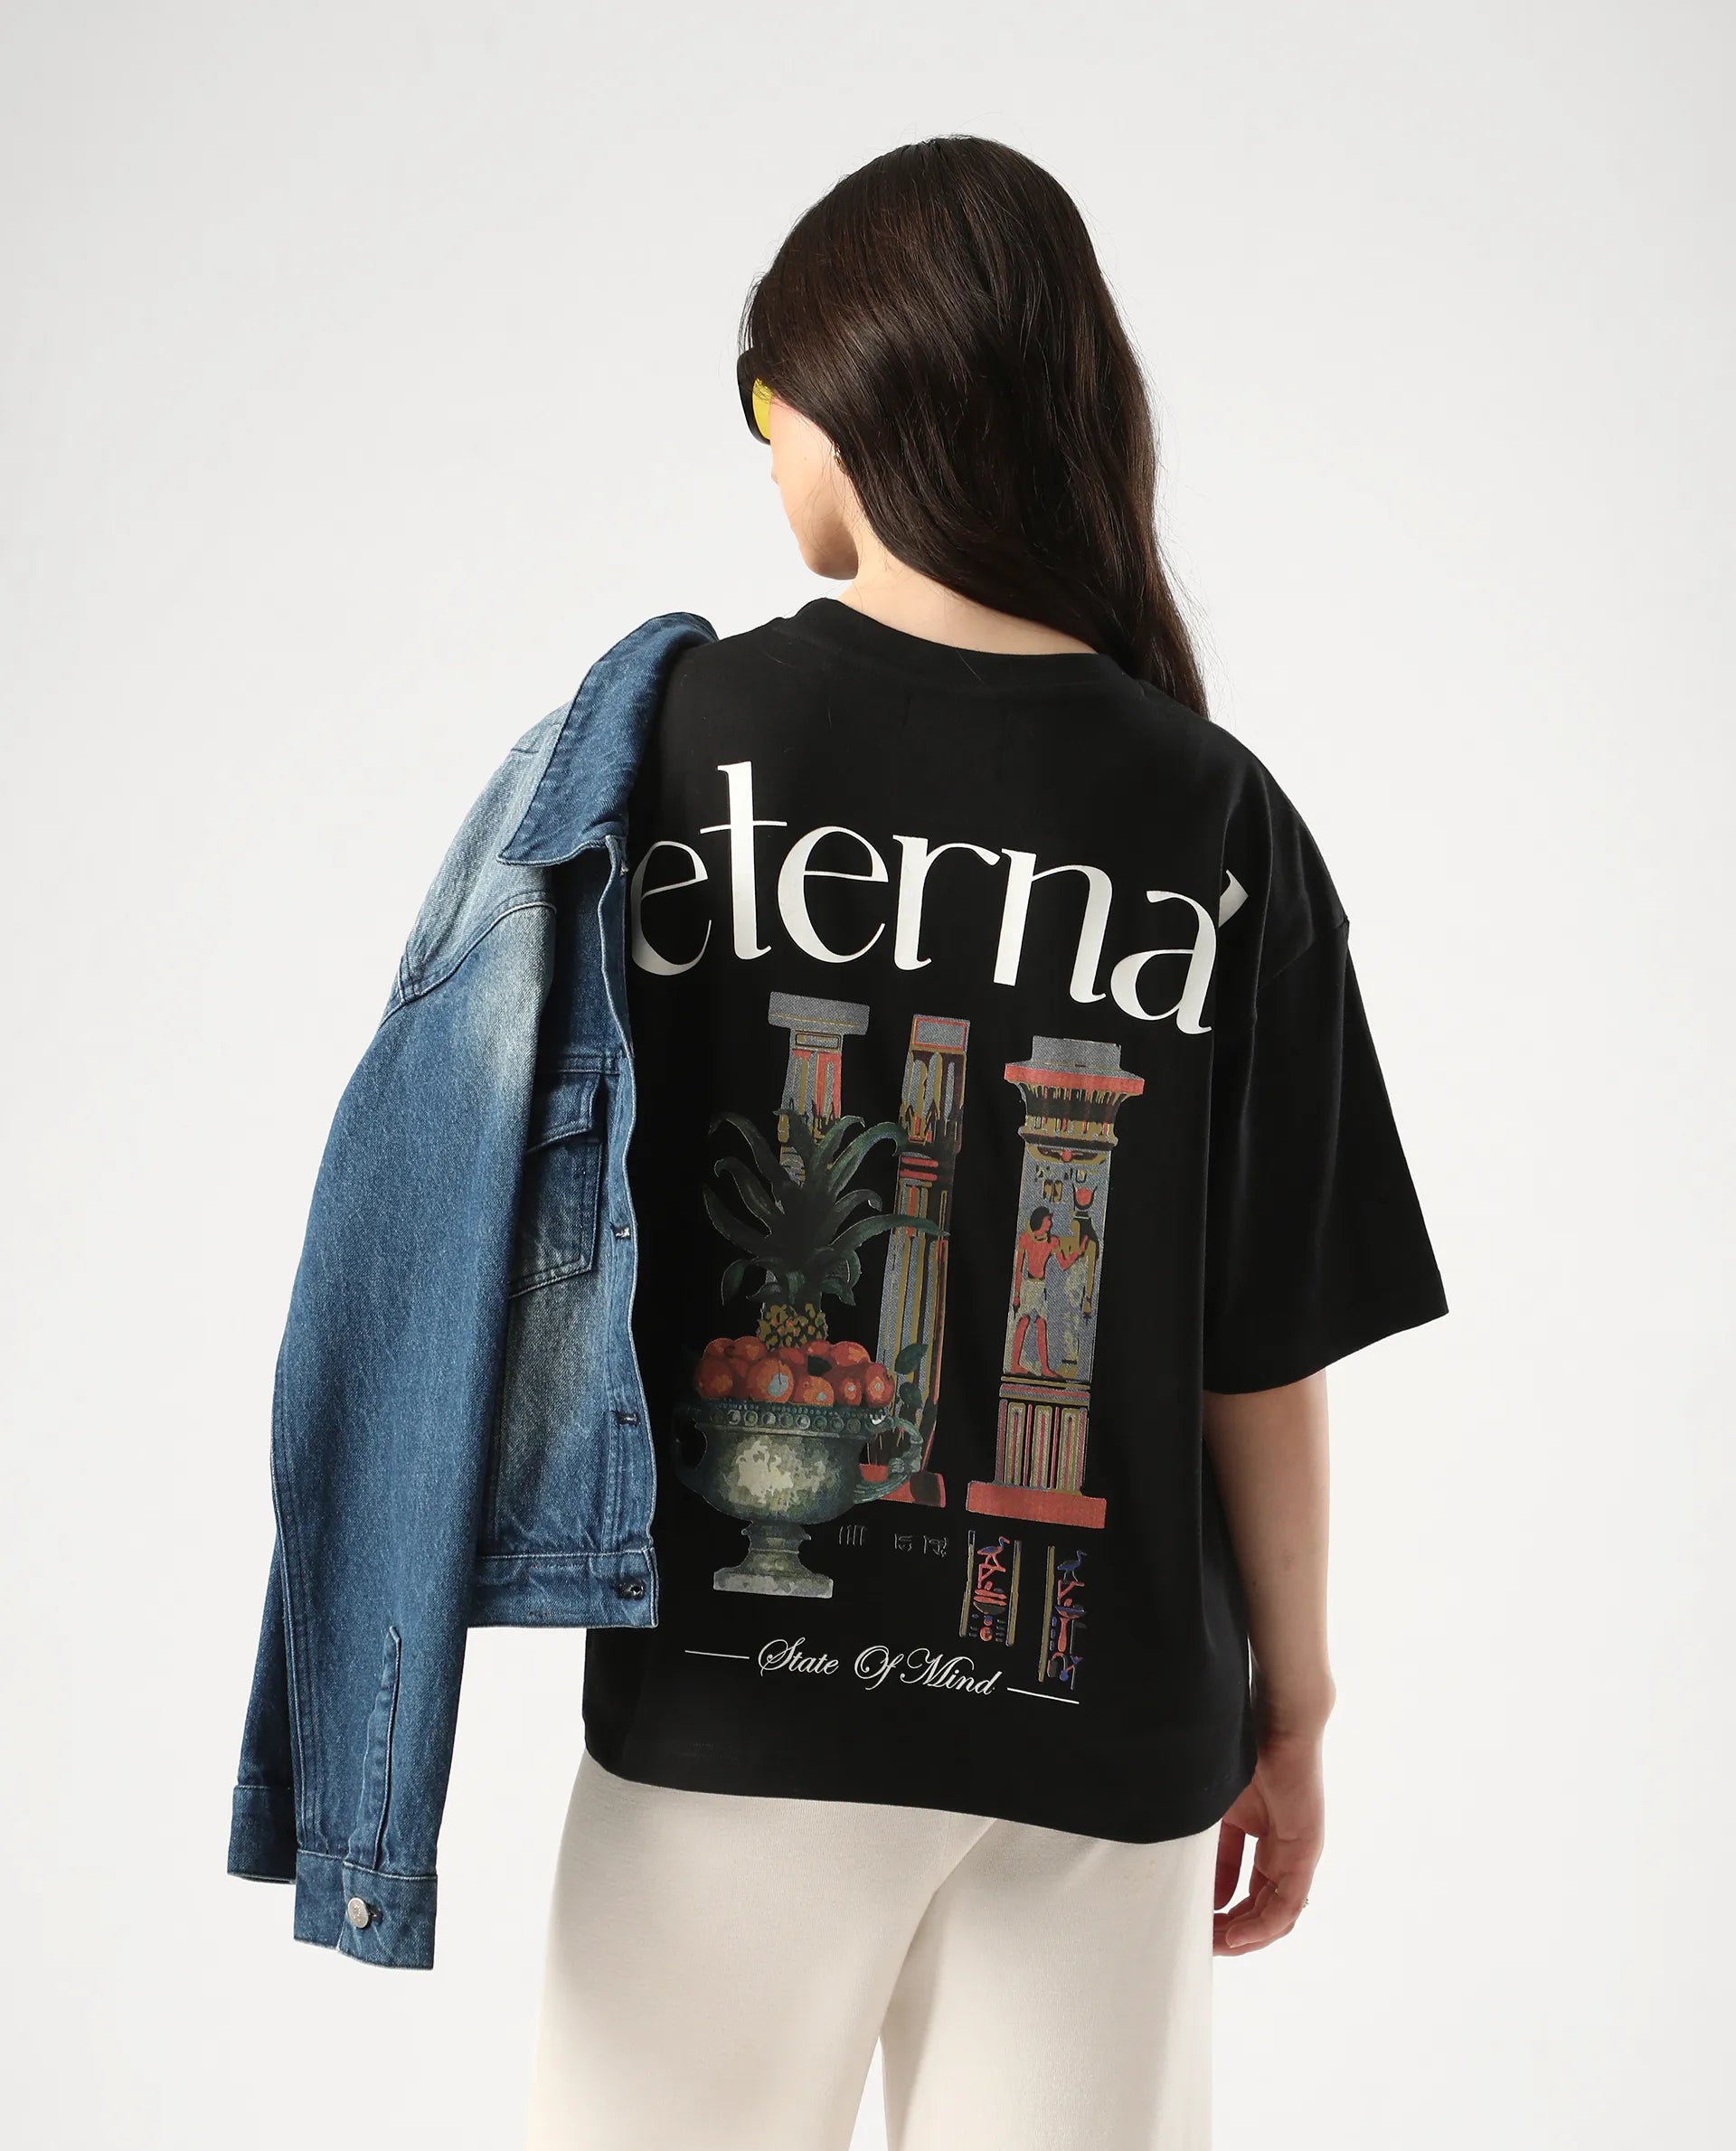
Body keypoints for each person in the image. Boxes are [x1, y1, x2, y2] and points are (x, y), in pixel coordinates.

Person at [523, 137, 1448, 2151]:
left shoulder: (671, 749)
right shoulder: (1216, 814)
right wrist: (1294, 1703)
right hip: (1107, 1737)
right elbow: (1258, 1340)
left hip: (728, 1706)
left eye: (762, 401)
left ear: (842, 404)